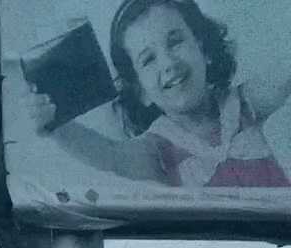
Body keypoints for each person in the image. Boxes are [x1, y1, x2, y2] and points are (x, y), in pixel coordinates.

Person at [26, 0, 290, 188]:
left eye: (175, 42)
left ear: (204, 50)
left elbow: (284, 76)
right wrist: (57, 129)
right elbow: (111, 156)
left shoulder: (244, 102)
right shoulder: (157, 149)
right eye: (148, 59)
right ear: (141, 91)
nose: (168, 63)